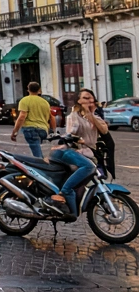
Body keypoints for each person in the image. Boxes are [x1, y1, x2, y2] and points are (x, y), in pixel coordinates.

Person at [44, 88, 107, 219]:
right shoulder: (73, 117)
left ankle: (72, 199)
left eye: (90, 97)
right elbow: (71, 133)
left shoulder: (95, 117)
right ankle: (65, 191)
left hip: (88, 153)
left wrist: (90, 115)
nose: (88, 100)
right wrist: (74, 138)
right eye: (85, 98)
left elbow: (104, 130)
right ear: (78, 101)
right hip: (71, 150)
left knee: (89, 172)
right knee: (88, 167)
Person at [10, 81, 55, 158]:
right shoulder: (45, 102)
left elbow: (22, 117)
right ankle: (42, 161)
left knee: (37, 154)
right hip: (43, 130)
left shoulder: (24, 100)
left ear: (28, 89)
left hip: (30, 129)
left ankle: (40, 163)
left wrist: (15, 132)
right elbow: (52, 117)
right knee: (38, 149)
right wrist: (53, 131)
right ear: (39, 90)